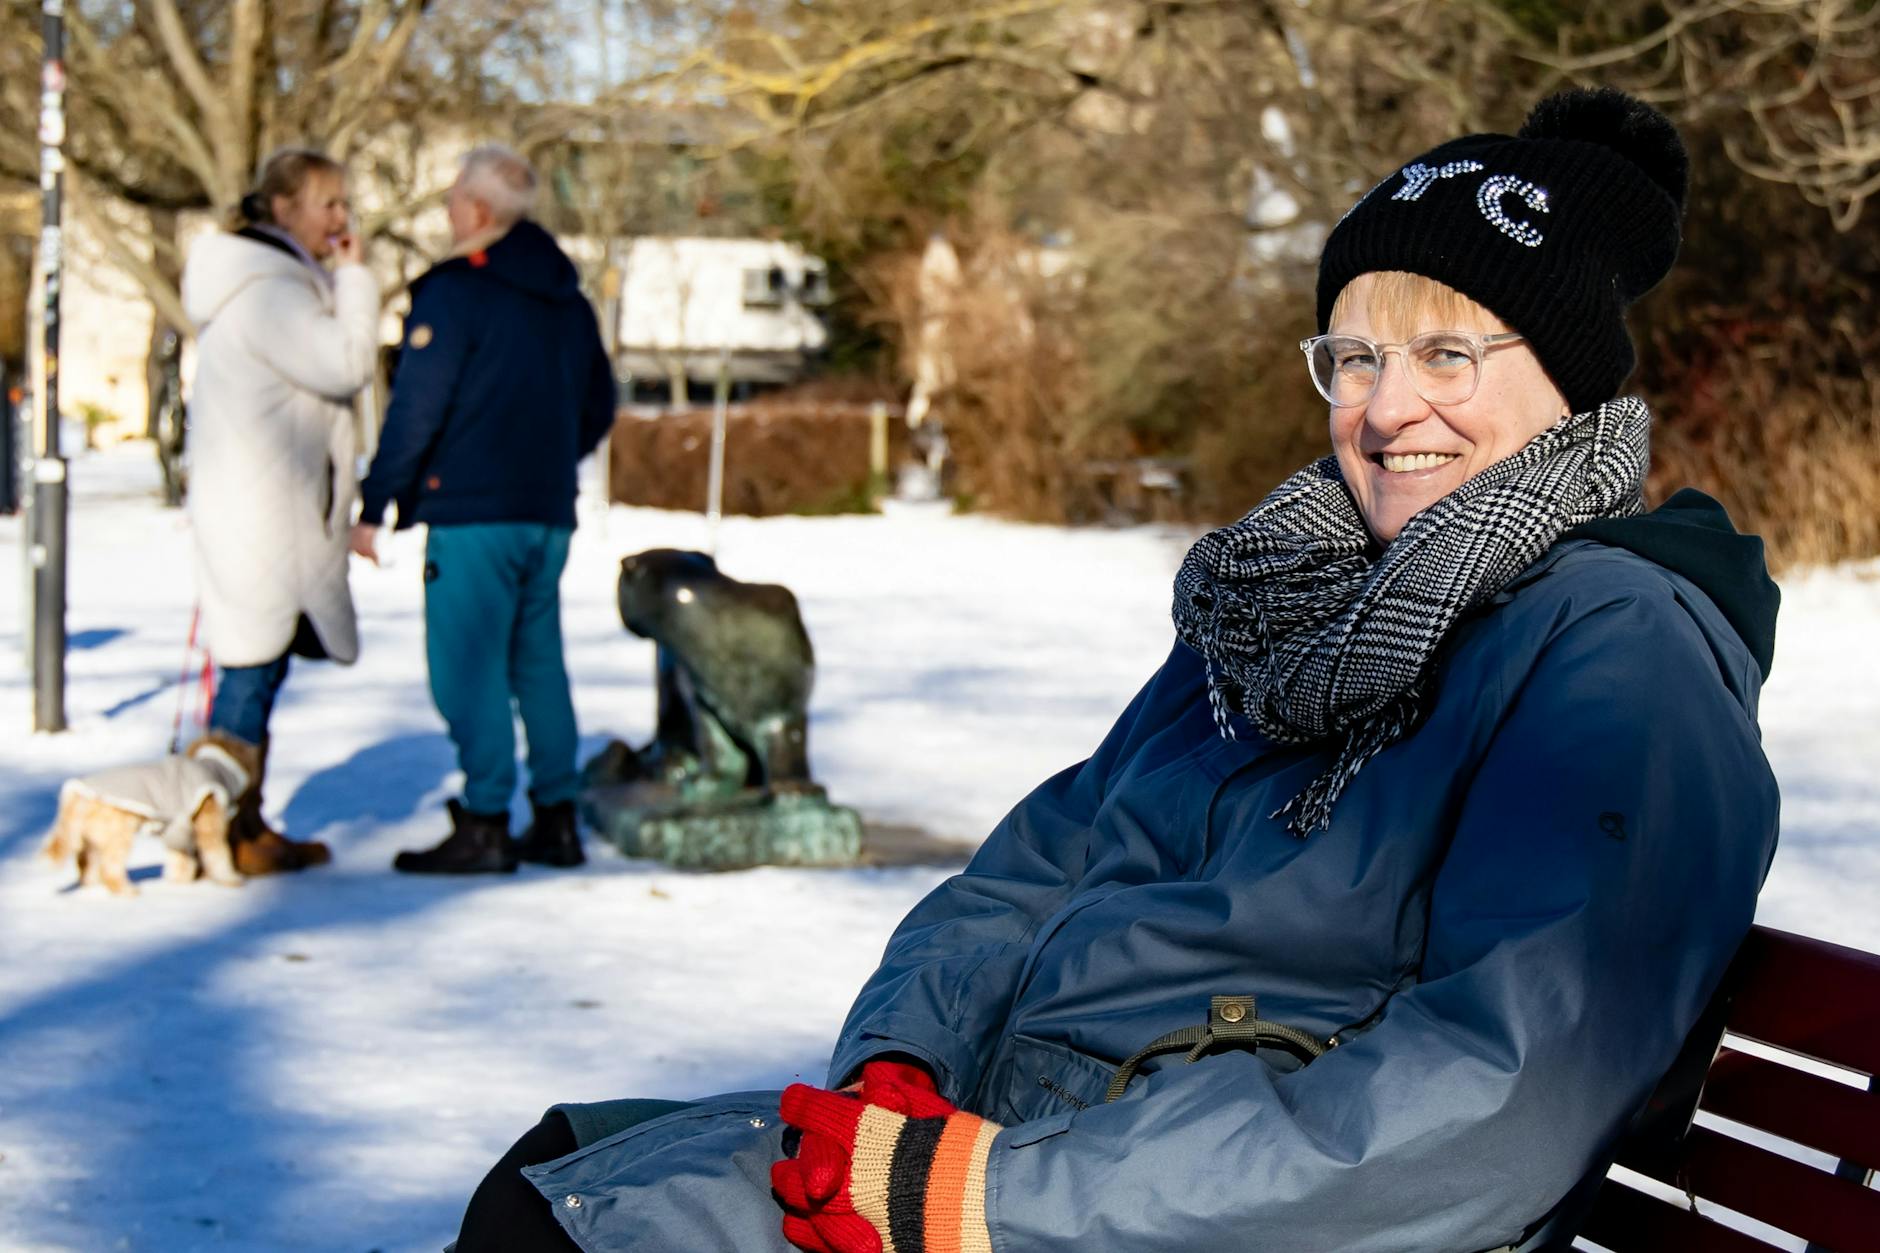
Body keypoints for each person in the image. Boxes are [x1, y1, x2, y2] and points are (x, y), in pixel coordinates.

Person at [449, 88, 1782, 1252]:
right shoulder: (1284, 606)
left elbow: (1506, 1086)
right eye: (1358, 356)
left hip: (1194, 1214)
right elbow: (1042, 862)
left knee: (570, 1230)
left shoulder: (1616, 650)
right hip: (1048, 1154)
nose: (1384, 409)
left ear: (1568, 380)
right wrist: (905, 1061)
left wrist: (994, 1199)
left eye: (1447, 355)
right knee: (558, 1170)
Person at [350, 146, 616, 875]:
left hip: (471, 514)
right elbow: (602, 401)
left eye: (451, 200)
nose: (444, 212)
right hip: (546, 512)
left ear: (478, 211)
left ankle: (487, 820)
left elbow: (416, 408)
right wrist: (555, 460)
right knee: (537, 663)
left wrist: (377, 501)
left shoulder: (455, 292)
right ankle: (557, 818)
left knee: (465, 669)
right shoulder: (568, 297)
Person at [182, 148, 379, 875]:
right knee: (250, 669)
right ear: (283, 208)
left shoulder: (264, 281)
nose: (341, 218)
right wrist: (356, 280)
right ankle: (224, 827)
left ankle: (236, 819)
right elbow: (347, 362)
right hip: (262, 518)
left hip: (259, 510)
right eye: (328, 203)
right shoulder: (270, 292)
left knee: (253, 667)